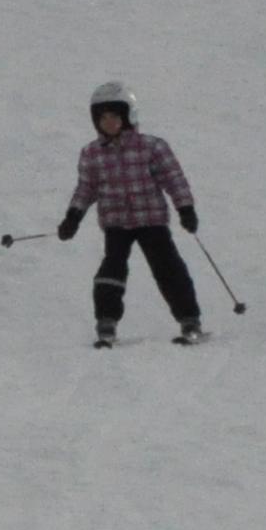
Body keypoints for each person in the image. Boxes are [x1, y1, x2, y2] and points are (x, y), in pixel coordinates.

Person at [56, 81, 205, 347]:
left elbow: (174, 179)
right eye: (102, 118)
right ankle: (106, 322)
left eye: (115, 116)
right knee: (111, 270)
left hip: (151, 220)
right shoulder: (91, 153)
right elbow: (86, 188)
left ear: (128, 116)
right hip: (116, 223)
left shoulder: (151, 146)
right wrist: (73, 217)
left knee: (167, 267)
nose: (109, 123)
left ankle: (189, 319)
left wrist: (186, 209)